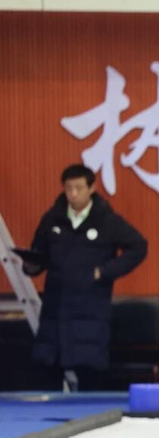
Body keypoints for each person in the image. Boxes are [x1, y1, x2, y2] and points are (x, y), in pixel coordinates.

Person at [22, 164, 147, 391]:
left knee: (90, 374)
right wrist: (31, 266)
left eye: (79, 188)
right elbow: (39, 253)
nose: (73, 194)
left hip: (90, 309)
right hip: (55, 307)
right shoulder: (53, 218)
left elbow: (138, 247)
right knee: (47, 371)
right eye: (69, 188)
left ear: (92, 188)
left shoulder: (106, 220)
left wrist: (105, 271)